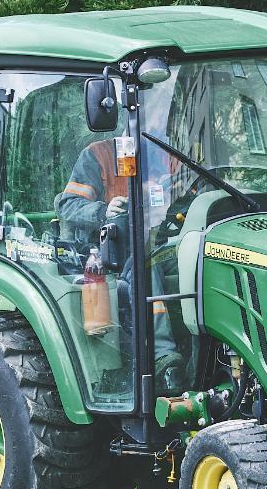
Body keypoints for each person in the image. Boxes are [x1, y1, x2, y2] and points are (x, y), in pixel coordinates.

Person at [55, 138, 183, 389]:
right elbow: (68, 205)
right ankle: (162, 355)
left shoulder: (169, 154)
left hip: (163, 241)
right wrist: (104, 211)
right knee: (147, 263)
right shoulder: (99, 155)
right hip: (111, 252)